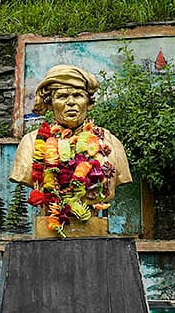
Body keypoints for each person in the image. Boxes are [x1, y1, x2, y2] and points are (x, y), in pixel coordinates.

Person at [9, 64, 131, 234]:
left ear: (89, 103)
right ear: (50, 103)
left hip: (95, 227)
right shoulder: (31, 143)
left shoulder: (109, 143)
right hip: (50, 226)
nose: (71, 102)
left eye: (78, 95)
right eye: (63, 96)